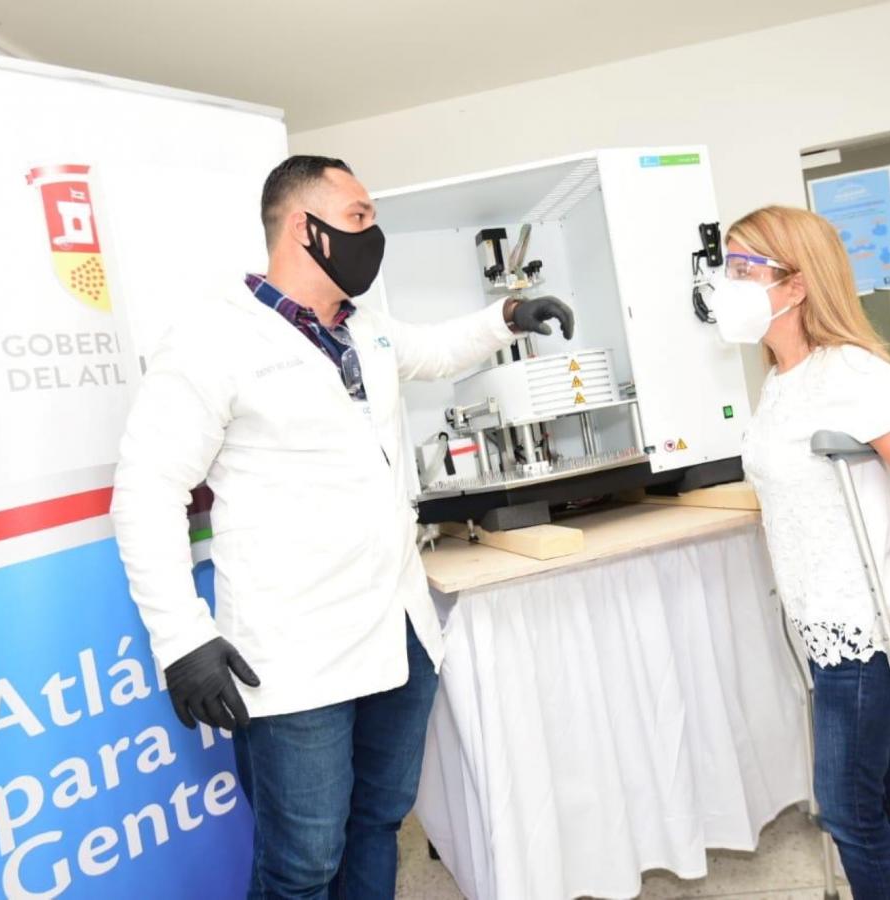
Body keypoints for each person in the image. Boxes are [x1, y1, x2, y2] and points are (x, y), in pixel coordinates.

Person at [110, 155, 574, 899]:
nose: (372, 233)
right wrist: (181, 638)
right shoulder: (212, 338)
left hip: (398, 628)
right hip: (294, 651)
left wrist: (507, 317)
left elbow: (435, 352)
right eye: (359, 217)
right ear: (304, 227)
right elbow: (146, 489)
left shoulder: (366, 330)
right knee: (303, 865)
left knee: (378, 822)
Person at [706, 206, 890, 900]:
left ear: (795, 286)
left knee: (847, 807)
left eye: (743, 268)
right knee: (883, 788)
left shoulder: (851, 370)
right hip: (821, 622)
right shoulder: (782, 378)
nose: (727, 282)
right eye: (727, 266)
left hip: (865, 626)